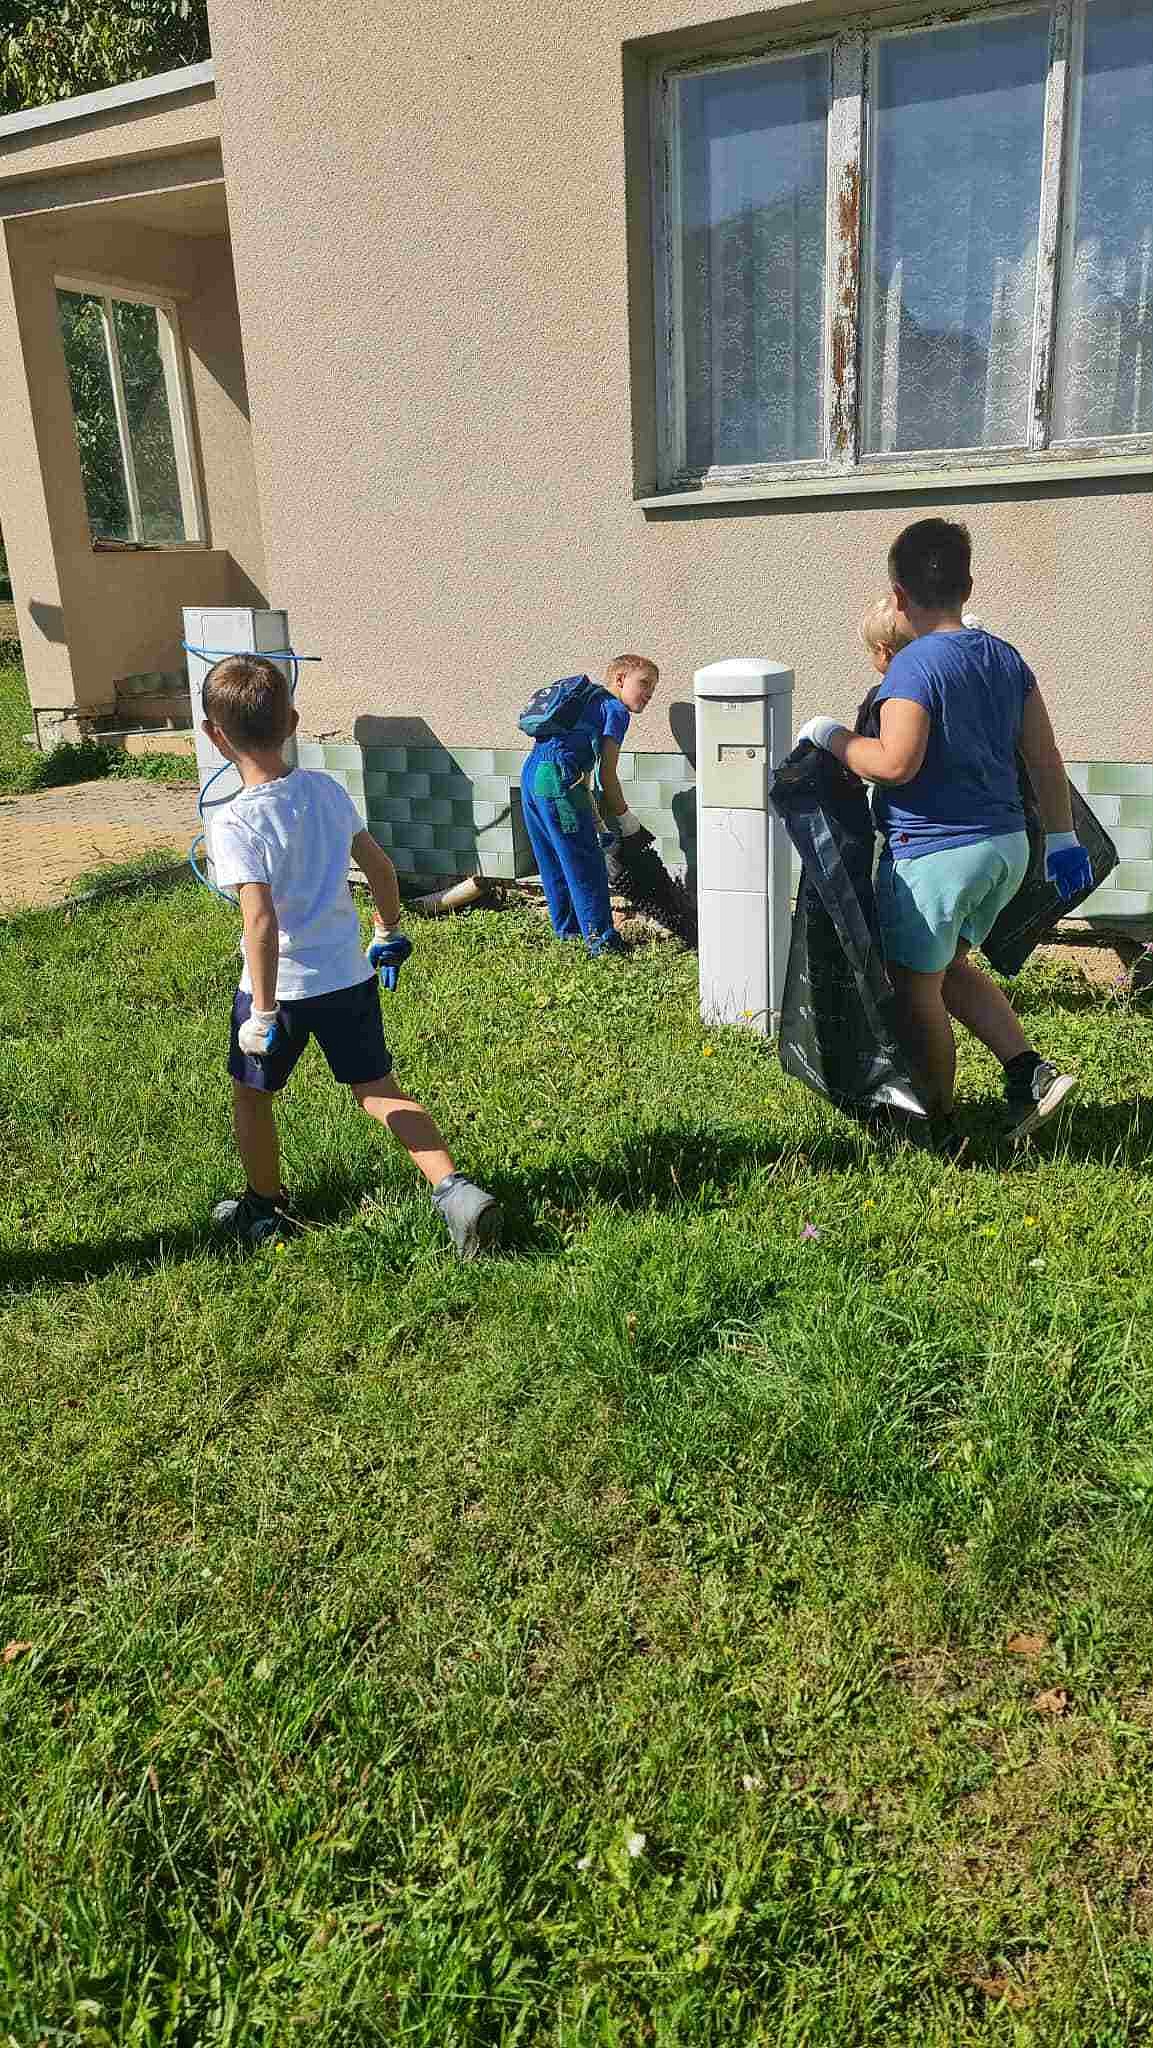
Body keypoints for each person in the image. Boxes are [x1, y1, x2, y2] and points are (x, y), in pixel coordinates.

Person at [797, 520, 1091, 1141]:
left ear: (899, 595)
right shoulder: (1006, 657)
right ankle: (1028, 1072)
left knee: (914, 986)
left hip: (934, 856)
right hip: (1006, 849)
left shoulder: (911, 666)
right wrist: (1064, 838)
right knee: (951, 965)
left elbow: (894, 764)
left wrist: (831, 736)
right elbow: (1043, 757)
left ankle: (936, 1121)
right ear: (969, 585)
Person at [201, 654, 500, 1255]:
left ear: (214, 735)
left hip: (280, 993)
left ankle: (264, 1206)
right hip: (347, 978)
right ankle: (454, 1190)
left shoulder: (233, 821)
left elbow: (260, 921)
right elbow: (380, 869)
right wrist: (387, 930)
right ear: (292, 722)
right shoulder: (326, 791)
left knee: (252, 1097)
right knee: (379, 1090)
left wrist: (262, 1013)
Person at [519, 655, 659, 955]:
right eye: (644, 683)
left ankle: (568, 933)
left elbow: (580, 773)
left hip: (533, 775)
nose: (649, 694)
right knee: (586, 862)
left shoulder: (587, 699)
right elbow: (606, 775)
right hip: (557, 781)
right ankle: (602, 942)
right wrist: (627, 821)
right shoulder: (616, 710)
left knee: (553, 858)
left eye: (653, 688)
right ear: (620, 679)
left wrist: (596, 821)